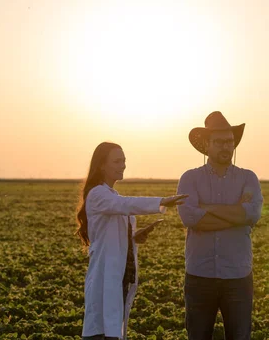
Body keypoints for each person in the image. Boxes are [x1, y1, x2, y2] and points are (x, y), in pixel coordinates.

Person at [75, 141, 187, 340]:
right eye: (117, 161)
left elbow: (114, 231)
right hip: (105, 274)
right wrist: (161, 201)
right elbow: (125, 205)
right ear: (101, 165)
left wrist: (134, 238)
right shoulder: (98, 194)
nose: (123, 165)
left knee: (112, 328)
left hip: (118, 274)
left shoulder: (110, 194)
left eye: (124, 160)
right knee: (101, 329)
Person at [177, 111, 263, 340]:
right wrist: (235, 213)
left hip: (238, 275)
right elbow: (191, 219)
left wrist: (207, 207)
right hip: (199, 275)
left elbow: (252, 214)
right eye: (220, 142)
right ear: (207, 144)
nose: (226, 147)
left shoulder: (248, 178)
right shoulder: (190, 178)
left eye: (230, 142)